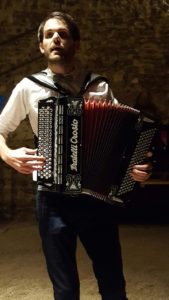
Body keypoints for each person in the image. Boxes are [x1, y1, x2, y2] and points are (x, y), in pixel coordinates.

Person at [0, 11, 152, 300]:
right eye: (49, 35)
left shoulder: (99, 86)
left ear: (75, 43)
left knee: (113, 284)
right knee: (65, 289)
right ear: (41, 47)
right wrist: (7, 154)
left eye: (63, 33)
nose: (56, 38)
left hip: (96, 198)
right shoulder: (29, 87)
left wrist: (134, 167)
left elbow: (124, 137)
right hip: (52, 199)